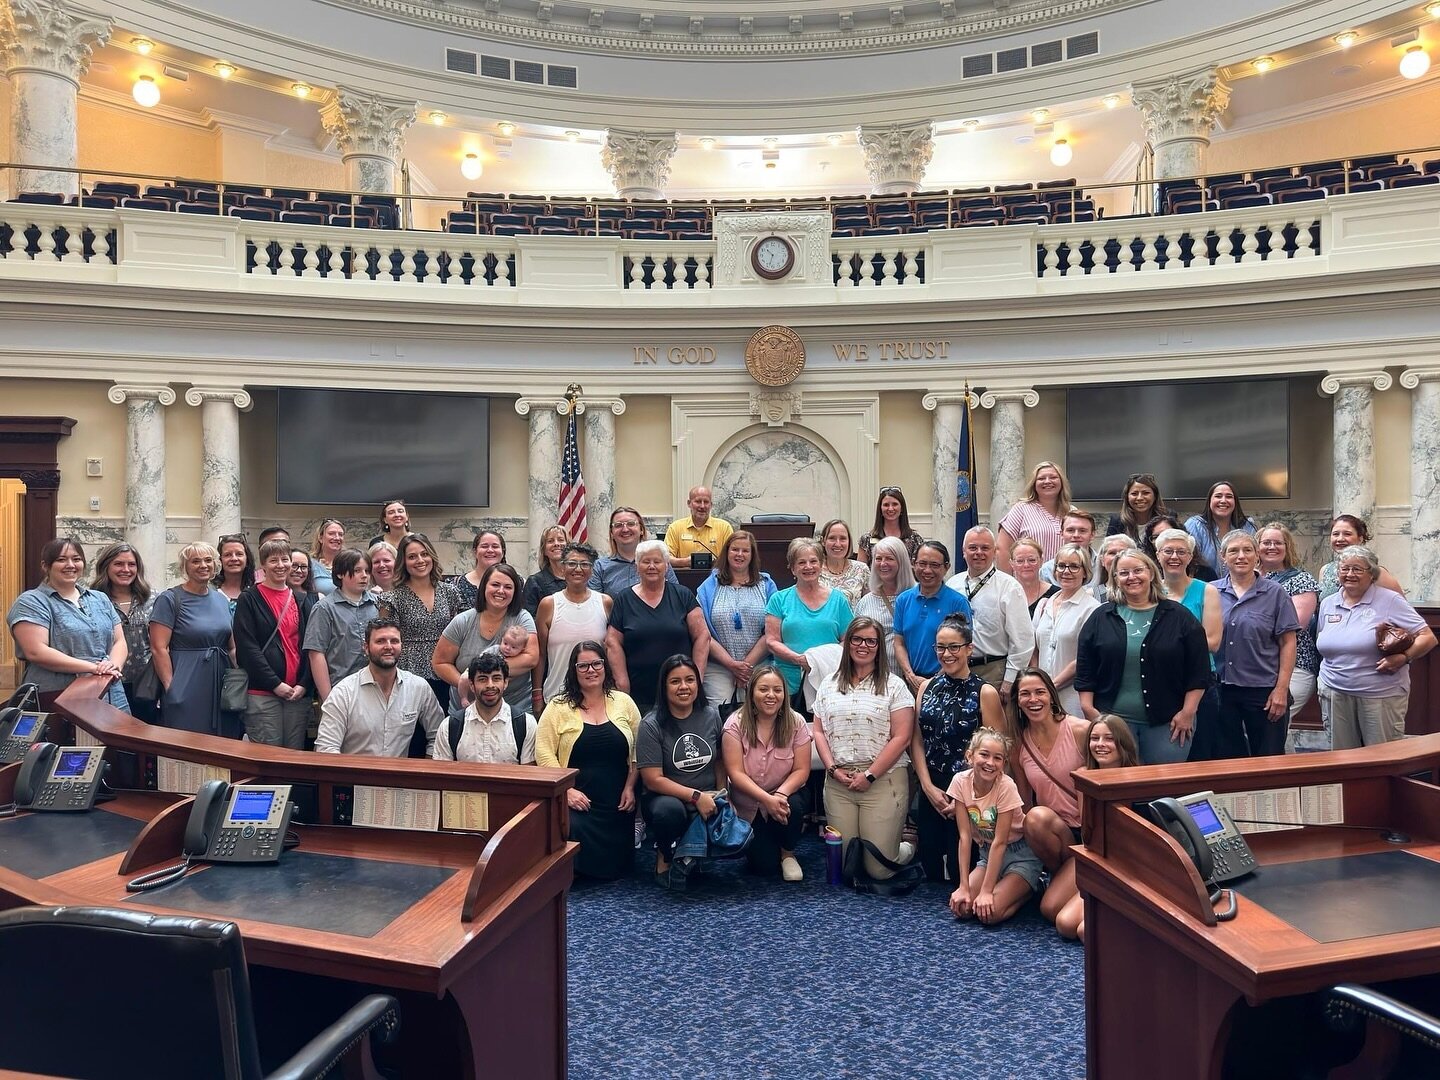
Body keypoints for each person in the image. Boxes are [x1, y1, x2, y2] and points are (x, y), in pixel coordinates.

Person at [1075, 550, 1211, 765]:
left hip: (1169, 722)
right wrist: (1089, 710)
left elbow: (1199, 669)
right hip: (1115, 724)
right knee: (1121, 790)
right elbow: (1085, 668)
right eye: (1124, 573)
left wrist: (1188, 712)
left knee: (1162, 790)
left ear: (1151, 573)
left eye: (1138, 570)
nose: (1132, 577)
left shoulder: (1180, 616)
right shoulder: (1101, 617)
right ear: (1115, 579)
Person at [811, 616, 915, 880]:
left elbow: (901, 737)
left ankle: (910, 846)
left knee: (879, 869)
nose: (863, 646)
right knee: (844, 864)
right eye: (857, 639)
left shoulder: (895, 685)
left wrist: (870, 775)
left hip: (882, 780)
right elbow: (819, 731)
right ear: (847, 644)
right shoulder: (829, 683)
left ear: (880, 647)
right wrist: (832, 769)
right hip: (839, 781)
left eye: (871, 641)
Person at [536, 641, 640, 880]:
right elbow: (543, 753)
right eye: (583, 666)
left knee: (620, 870)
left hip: (618, 800)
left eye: (596, 663)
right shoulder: (557, 706)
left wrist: (630, 787)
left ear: (605, 666)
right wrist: (566, 791)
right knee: (574, 830)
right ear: (574, 670)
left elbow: (639, 750)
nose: (591, 670)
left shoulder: (624, 702)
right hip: (577, 799)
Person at [911, 615, 1003, 882]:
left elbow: (997, 754)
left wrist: (968, 799)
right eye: (940, 647)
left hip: (971, 791)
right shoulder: (926, 687)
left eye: (954, 647)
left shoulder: (985, 692)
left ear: (969, 649)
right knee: (930, 867)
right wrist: (927, 787)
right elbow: (917, 740)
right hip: (932, 788)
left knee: (960, 867)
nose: (947, 654)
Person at [1316, 544, 1436, 748]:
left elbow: (1428, 637)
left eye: (1357, 569)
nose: (1350, 574)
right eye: (1344, 569)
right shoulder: (1328, 603)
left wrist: (1404, 657)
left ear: (1372, 574)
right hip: (1334, 692)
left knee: (1381, 758)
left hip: (1379, 695)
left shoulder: (1390, 600)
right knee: (1342, 759)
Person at [1042, 715, 1139, 941]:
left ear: (1122, 743)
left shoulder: (1136, 777)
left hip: (1124, 861)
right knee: (1049, 909)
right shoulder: (1084, 775)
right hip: (1094, 853)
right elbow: (1088, 831)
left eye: (1108, 739)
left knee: (1068, 925)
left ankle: (1116, 905)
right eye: (1094, 738)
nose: (1100, 744)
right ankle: (1091, 894)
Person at [638, 655, 727, 890]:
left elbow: (719, 761)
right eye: (675, 681)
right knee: (669, 812)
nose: (684, 687)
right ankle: (664, 859)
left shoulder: (711, 715)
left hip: (709, 795)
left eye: (690, 680)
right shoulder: (650, 725)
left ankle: (694, 854)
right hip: (667, 799)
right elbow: (652, 779)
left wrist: (722, 794)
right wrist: (696, 796)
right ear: (664, 687)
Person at [7, 537, 127, 711]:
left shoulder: (100, 598)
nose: (70, 565)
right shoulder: (31, 602)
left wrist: (113, 666)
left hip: (110, 691)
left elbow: (119, 641)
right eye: (61, 560)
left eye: (76, 559)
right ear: (45, 565)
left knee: (115, 737)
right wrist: (94, 668)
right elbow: (36, 651)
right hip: (58, 695)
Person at [721, 663, 812, 881]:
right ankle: (770, 847)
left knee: (796, 803)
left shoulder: (796, 721)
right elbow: (736, 774)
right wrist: (766, 800)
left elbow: (801, 770)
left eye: (777, 690)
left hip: (783, 798)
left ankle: (788, 853)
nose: (771, 695)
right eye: (763, 689)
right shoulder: (735, 724)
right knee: (765, 867)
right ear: (752, 692)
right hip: (749, 804)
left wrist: (779, 796)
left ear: (784, 694)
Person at [1212, 530, 1298, 758]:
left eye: (1247, 550)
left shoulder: (1275, 593)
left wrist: (1281, 689)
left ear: (1257, 555)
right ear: (1223, 556)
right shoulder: (1211, 592)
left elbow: (1288, 642)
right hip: (1222, 690)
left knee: (1268, 758)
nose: (1241, 556)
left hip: (1264, 690)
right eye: (1233, 551)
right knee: (1227, 758)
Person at [946, 728, 1040, 926]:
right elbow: (964, 836)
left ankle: (1033, 886)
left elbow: (1000, 841)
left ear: (1003, 764)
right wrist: (963, 886)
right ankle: (998, 886)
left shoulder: (1006, 785)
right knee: (963, 908)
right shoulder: (960, 781)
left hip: (1019, 854)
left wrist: (987, 891)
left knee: (989, 913)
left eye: (998, 758)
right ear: (970, 756)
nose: (990, 763)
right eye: (984, 755)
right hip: (987, 855)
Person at [606, 540, 709, 715]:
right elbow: (612, 642)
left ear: (666, 566)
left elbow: (702, 637)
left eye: (657, 561)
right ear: (637, 566)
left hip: (681, 691)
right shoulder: (623, 599)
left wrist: (695, 678)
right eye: (646, 562)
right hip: (638, 693)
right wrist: (622, 681)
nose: (652, 566)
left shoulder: (683, 595)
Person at [316, 618, 446, 756]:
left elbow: (439, 734)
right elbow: (327, 748)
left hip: (399, 776)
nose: (388, 646)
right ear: (366, 648)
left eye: (394, 641)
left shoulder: (418, 688)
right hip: (354, 776)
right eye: (380, 641)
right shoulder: (344, 692)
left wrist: (426, 770)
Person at [1152, 526, 1224, 761]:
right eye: (1168, 551)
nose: (1175, 557)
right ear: (1157, 555)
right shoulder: (1149, 592)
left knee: (1200, 754)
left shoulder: (1207, 591)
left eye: (1182, 552)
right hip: (1160, 683)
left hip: (1200, 682)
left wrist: (1167, 647)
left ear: (1191, 557)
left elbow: (1212, 642)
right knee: (1163, 754)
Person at [233, 538, 312, 748]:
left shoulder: (301, 599)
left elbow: (308, 646)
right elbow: (248, 648)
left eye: (285, 560)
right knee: (268, 759)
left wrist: (304, 684)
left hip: (297, 695)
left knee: (294, 757)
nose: (280, 565)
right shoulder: (249, 598)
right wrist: (275, 684)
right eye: (273, 560)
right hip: (263, 694)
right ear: (263, 566)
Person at [434, 562, 539, 721]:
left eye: (508, 587)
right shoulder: (463, 621)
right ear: (483, 587)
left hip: (515, 711)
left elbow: (531, 658)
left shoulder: (522, 618)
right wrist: (471, 685)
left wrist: (483, 675)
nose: (501, 591)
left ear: (516, 592)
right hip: (466, 709)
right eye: (495, 585)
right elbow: (440, 663)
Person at [150, 542, 235, 737]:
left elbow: (231, 646)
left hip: (221, 683)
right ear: (185, 567)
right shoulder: (170, 599)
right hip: (186, 682)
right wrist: (172, 687)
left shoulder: (221, 600)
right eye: (195, 561)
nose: (203, 565)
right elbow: (158, 648)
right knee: (187, 742)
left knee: (222, 743)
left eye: (208, 560)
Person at [1011, 669, 1089, 879]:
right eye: (1025, 694)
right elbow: (1025, 801)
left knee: (1051, 909)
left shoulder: (1080, 730)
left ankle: (1070, 881)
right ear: (1017, 701)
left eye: (1040, 692)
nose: (1033, 699)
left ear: (1051, 695)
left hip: (1090, 830)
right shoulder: (1019, 744)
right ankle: (1060, 876)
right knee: (1034, 818)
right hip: (1055, 831)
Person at [763, 537, 854, 713]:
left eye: (813, 561)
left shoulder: (838, 599)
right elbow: (771, 641)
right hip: (788, 683)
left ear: (821, 564)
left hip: (830, 681)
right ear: (792, 568)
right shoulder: (779, 599)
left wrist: (821, 661)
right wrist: (800, 660)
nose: (808, 567)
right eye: (801, 562)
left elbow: (848, 640)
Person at [378, 533, 465, 706]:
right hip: (408, 674)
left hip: (446, 671)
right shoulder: (391, 599)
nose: (420, 560)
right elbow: (386, 641)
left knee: (445, 728)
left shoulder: (450, 592)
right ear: (404, 562)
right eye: (412, 556)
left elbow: (460, 632)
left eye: (424, 554)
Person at [947, 527, 1034, 696]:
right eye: (973, 548)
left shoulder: (1009, 586)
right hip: (956, 669)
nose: (978, 553)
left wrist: (1009, 680)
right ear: (963, 552)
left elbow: (1023, 639)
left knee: (992, 723)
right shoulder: (952, 584)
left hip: (994, 672)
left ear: (994, 552)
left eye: (985, 548)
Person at [696, 530, 775, 709]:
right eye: (735, 550)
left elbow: (772, 631)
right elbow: (702, 632)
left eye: (745, 551)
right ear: (727, 552)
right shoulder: (708, 587)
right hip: (719, 667)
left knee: (760, 716)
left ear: (752, 555)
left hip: (759, 665)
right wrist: (732, 665)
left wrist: (745, 666)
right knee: (720, 717)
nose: (739, 554)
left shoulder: (767, 584)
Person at [1257, 522, 1323, 724]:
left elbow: (1296, 625)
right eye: (1266, 542)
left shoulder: (1301, 580)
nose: (1271, 547)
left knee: (1270, 720)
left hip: (1296, 666)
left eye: (1278, 543)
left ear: (1288, 548)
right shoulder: (1246, 578)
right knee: (1275, 731)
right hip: (1257, 664)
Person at [893, 540, 973, 699]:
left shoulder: (958, 602)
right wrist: (910, 676)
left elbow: (964, 648)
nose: (927, 570)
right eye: (922, 563)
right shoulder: (903, 600)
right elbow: (899, 641)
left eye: (935, 565)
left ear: (946, 567)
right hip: (911, 684)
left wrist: (934, 680)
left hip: (949, 683)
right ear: (913, 564)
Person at [535, 542, 611, 708]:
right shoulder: (548, 605)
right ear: (562, 568)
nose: (578, 569)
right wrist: (537, 694)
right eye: (572, 563)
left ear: (592, 569)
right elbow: (540, 654)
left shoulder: (605, 603)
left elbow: (611, 650)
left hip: (598, 697)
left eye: (584, 564)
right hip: (557, 696)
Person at [1031, 543, 1101, 717]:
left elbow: (1085, 657)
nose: (1066, 571)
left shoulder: (1092, 609)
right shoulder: (1043, 604)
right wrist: (1039, 684)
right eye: (1061, 566)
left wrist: (1052, 685)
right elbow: (1033, 648)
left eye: (1074, 566)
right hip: (1041, 695)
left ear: (1085, 572)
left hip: (1073, 695)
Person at [92, 542, 157, 722]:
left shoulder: (154, 598)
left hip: (147, 684)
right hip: (108, 682)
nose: (126, 569)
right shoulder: (93, 599)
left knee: (146, 740)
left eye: (131, 564)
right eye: (119, 564)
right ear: (106, 566)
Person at [432, 652, 537, 764]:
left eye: (496, 678)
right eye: (483, 679)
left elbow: (529, 776)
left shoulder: (526, 724)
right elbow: (442, 777)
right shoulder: (449, 726)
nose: (490, 685)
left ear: (505, 683)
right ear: (471, 685)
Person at [303, 548, 379, 703]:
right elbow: (316, 654)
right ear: (340, 573)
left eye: (367, 571)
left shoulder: (377, 604)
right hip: (341, 689)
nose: (364, 576)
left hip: (376, 687)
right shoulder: (324, 608)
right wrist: (327, 698)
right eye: (357, 570)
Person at [854, 535, 915, 671]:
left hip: (912, 678)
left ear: (902, 562)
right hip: (875, 679)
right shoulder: (865, 602)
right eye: (878, 559)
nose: (883, 563)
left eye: (889, 558)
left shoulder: (917, 597)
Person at [590, 506, 679, 597]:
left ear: (641, 530)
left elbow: (675, 596)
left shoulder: (660, 563)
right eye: (618, 525)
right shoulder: (600, 567)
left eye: (631, 524)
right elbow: (594, 604)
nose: (625, 529)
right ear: (612, 533)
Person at [997, 460, 1071, 569]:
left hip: (1065, 581)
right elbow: (1003, 549)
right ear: (1034, 484)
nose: (1047, 481)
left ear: (1062, 482)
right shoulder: (1021, 509)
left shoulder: (1071, 512)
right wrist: (1008, 583)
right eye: (1041, 478)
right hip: (1027, 581)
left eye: (1053, 477)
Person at [1317, 514, 1404, 600]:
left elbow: (1401, 606)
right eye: (1335, 534)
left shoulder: (1375, 572)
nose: (1340, 539)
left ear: (1360, 539)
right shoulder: (1325, 570)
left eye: (1347, 534)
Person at [1184, 480, 1255, 575]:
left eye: (1229, 497)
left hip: (1241, 585)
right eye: (1218, 496)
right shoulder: (1195, 525)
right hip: (1204, 585)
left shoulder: (1247, 526)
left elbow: (1255, 561)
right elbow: (1187, 560)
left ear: (1235, 502)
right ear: (1209, 500)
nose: (1223, 501)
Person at [663, 485, 733, 569]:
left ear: (711, 505)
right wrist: (686, 562)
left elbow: (732, 557)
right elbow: (665, 558)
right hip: (684, 578)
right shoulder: (675, 527)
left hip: (716, 578)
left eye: (706, 502)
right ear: (689, 503)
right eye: (698, 501)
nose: (702, 506)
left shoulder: (724, 527)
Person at [857, 485, 925, 564]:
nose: (890, 508)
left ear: (902, 508)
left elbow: (919, 569)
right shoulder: (866, 540)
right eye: (886, 505)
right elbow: (861, 572)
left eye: (895, 504)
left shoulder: (915, 540)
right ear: (880, 509)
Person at [817, 518, 868, 606]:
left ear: (849, 542)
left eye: (843, 538)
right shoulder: (814, 570)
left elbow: (870, 605)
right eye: (832, 538)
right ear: (823, 541)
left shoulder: (861, 569)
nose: (837, 544)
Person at [1106, 473, 1169, 543]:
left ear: (1155, 496)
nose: (1139, 498)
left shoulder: (1168, 517)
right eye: (1134, 494)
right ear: (1127, 497)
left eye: (1146, 493)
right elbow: (1109, 549)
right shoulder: (1117, 521)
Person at [1040, 509, 1098, 586]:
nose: (1076, 535)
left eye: (1082, 531)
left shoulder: (1103, 566)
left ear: (1092, 535)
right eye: (1070, 530)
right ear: (1061, 534)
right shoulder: (1047, 570)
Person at [522, 525, 570, 616]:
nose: (556, 544)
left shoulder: (579, 578)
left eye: (560, 539)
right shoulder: (534, 582)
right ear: (544, 550)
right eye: (550, 541)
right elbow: (529, 619)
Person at [455, 530, 508, 609]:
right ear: (475, 552)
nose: (490, 550)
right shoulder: (456, 585)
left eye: (495, 546)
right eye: (484, 546)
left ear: (503, 552)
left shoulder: (519, 583)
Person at [1011, 536, 1058, 617]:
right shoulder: (1004, 593)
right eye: (1020, 561)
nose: (1026, 565)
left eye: (1032, 560)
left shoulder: (1056, 595)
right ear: (1012, 564)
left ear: (1041, 561)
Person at [213, 534, 253, 615]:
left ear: (247, 559)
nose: (234, 558)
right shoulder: (209, 591)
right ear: (219, 560)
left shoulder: (256, 592)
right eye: (227, 555)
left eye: (239, 554)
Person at [1092, 533, 1138, 601]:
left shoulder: (1144, 591)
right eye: (1112, 553)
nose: (1117, 557)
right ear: (1102, 560)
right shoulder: (1092, 596)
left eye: (1123, 552)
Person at [309, 518, 346, 596]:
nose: (337, 538)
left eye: (340, 534)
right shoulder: (310, 564)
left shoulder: (349, 563)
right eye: (331, 533)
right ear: (320, 538)